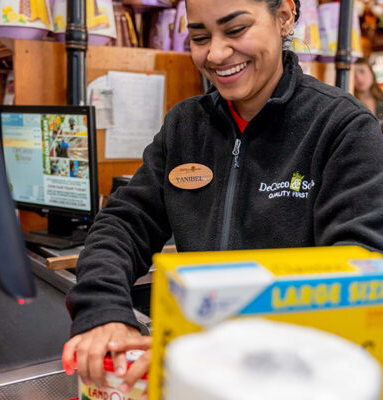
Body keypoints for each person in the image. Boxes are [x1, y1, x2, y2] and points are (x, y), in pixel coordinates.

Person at [63, 0, 383, 398]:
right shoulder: (186, 125)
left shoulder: (342, 128)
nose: (214, 53)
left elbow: (357, 271)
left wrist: (200, 346)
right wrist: (103, 312)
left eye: (235, 30)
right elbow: (124, 223)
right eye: (199, 36)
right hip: (195, 378)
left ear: (284, 17)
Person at [354, 57, 383, 125]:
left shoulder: (381, 98)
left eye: (362, 71)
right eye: (353, 74)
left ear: (372, 73)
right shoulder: (349, 103)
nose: (359, 78)